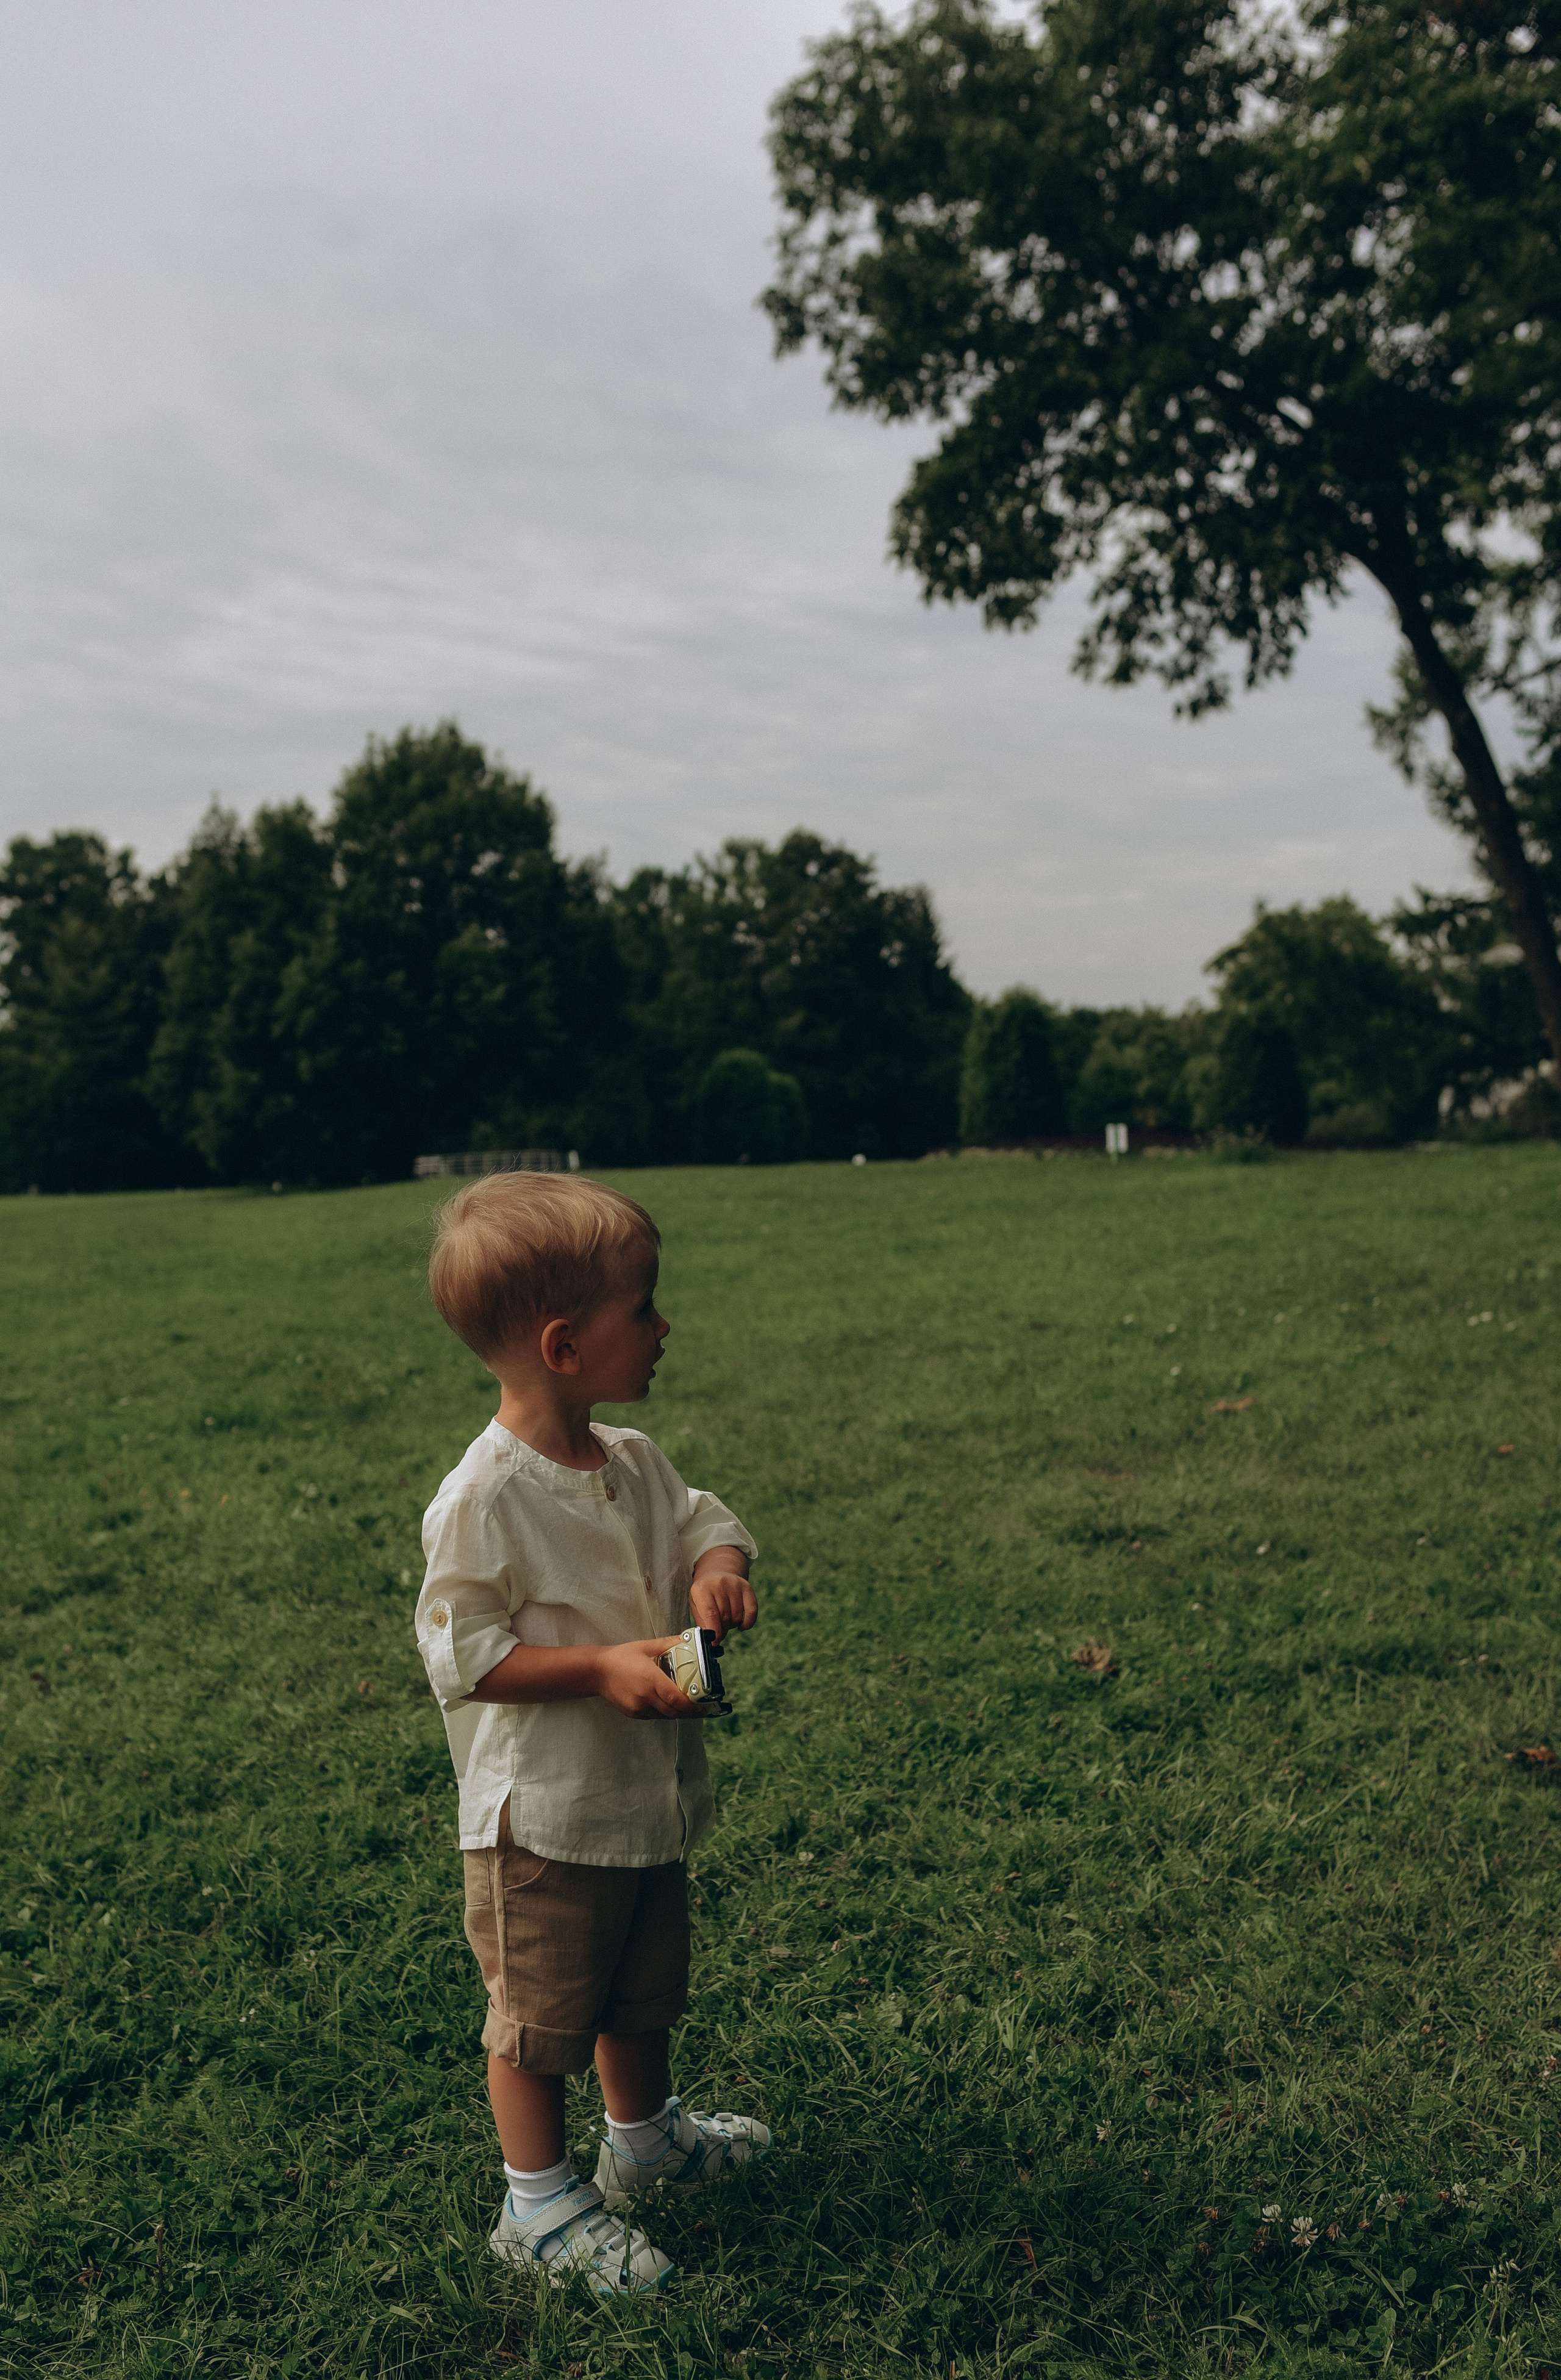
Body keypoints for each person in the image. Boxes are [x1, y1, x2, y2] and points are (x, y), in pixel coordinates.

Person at [413, 1171, 770, 2295]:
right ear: (565, 1345)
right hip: (543, 1821)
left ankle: (644, 2141)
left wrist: (717, 1571)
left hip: (638, 1799)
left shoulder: (633, 1458)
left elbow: (705, 1520)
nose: (665, 1326)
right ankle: (536, 2203)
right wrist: (600, 1668)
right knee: (537, 2019)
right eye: (645, 1306)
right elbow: (462, 1653)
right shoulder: (485, 1496)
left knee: (639, 1988)